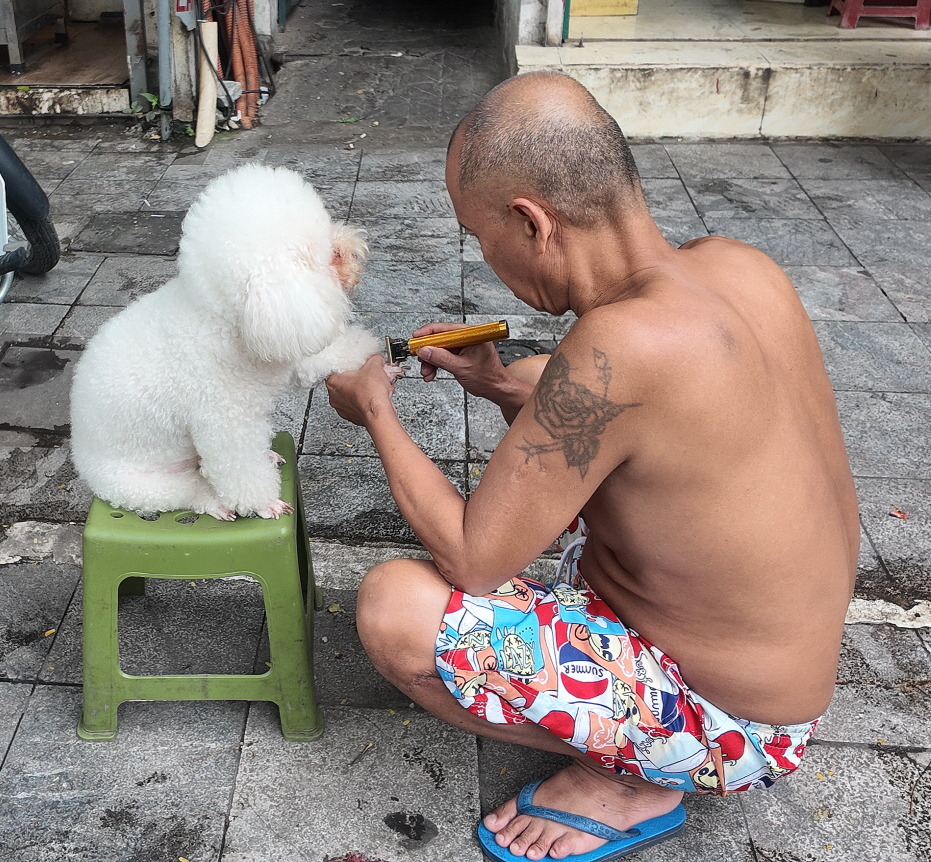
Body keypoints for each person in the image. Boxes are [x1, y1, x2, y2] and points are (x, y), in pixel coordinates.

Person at [325, 72, 858, 862]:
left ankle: (634, 776)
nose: (486, 257)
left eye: (480, 237)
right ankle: (650, 739)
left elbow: (474, 559)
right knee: (545, 381)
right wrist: (505, 385)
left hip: (731, 725)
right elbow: (634, 412)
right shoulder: (735, 267)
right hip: (784, 673)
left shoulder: (618, 350)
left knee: (394, 610)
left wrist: (375, 407)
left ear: (532, 223)